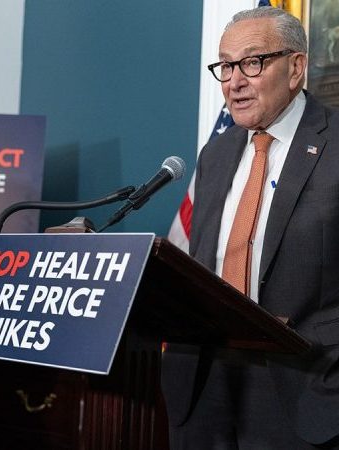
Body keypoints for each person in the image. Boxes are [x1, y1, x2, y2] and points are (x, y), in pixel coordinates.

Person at [161, 6, 339, 449]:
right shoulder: (216, 153)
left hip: (306, 384)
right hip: (204, 384)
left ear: (295, 67)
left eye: (252, 62)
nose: (234, 81)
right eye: (225, 66)